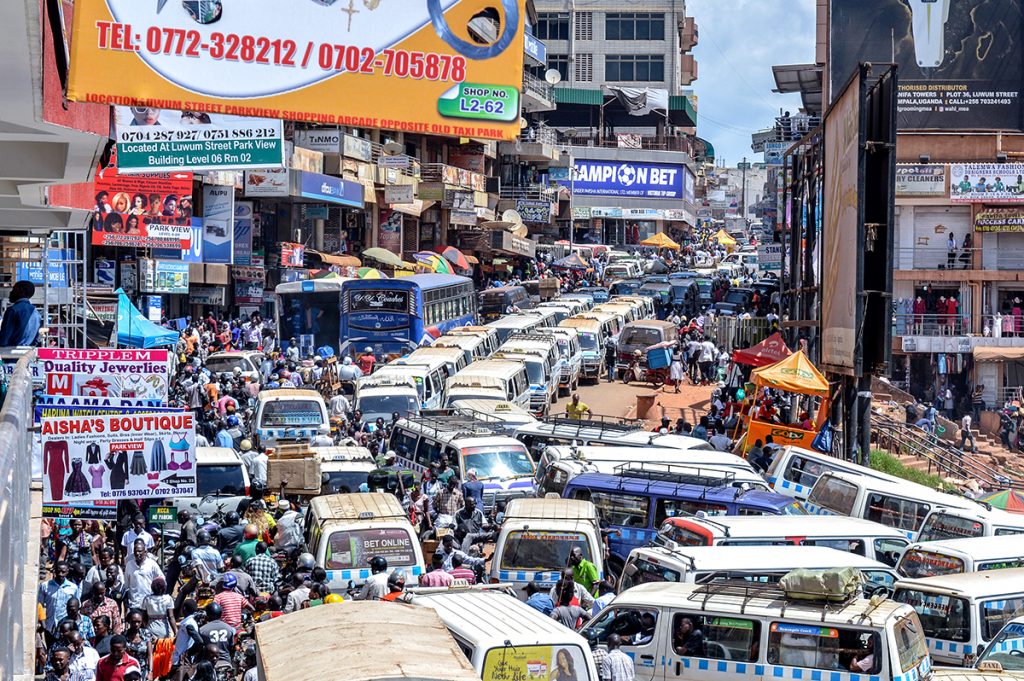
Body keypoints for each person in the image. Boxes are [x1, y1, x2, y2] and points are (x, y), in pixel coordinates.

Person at [38, 561, 80, 637]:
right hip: (49, 624)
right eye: (58, 571)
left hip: (65, 626)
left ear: (67, 572)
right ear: (54, 571)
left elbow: (77, 606)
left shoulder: (73, 588)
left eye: (63, 572)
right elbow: (39, 605)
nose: (60, 574)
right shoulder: (45, 586)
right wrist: (42, 622)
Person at [0, 280, 41, 346]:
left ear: (20, 291)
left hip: (10, 352)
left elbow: (4, 338)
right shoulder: (36, 313)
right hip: (28, 352)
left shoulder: (13, 310)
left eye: (13, 289)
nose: (11, 292)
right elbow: (36, 340)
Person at [199, 602, 236, 669]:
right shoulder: (229, 628)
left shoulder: (202, 630)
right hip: (226, 662)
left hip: (209, 663)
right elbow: (231, 647)